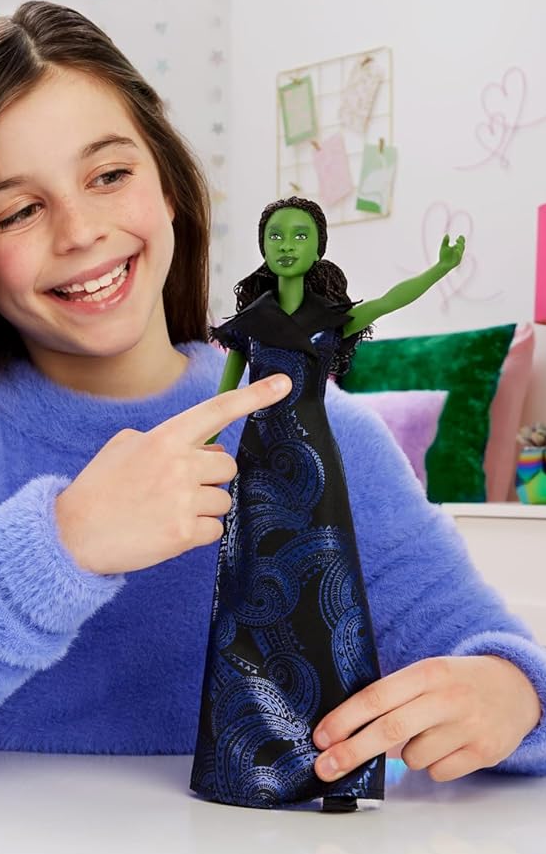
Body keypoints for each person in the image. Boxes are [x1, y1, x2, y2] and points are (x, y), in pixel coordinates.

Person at [0, 1, 546, 790]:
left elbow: (526, 684)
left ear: (169, 187)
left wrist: (514, 694)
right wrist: (66, 541)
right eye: (18, 212)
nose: (81, 231)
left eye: (110, 174)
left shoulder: (324, 435)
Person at [189, 196, 465, 810]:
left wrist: (440, 270)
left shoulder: (330, 316)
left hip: (314, 462)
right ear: (263, 246)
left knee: (326, 590)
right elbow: (222, 401)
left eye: (299, 236)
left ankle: (337, 773)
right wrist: (203, 445)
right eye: (276, 236)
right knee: (250, 590)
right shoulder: (250, 323)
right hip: (259, 465)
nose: (287, 245)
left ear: (318, 247)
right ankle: (243, 767)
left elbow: (389, 300)